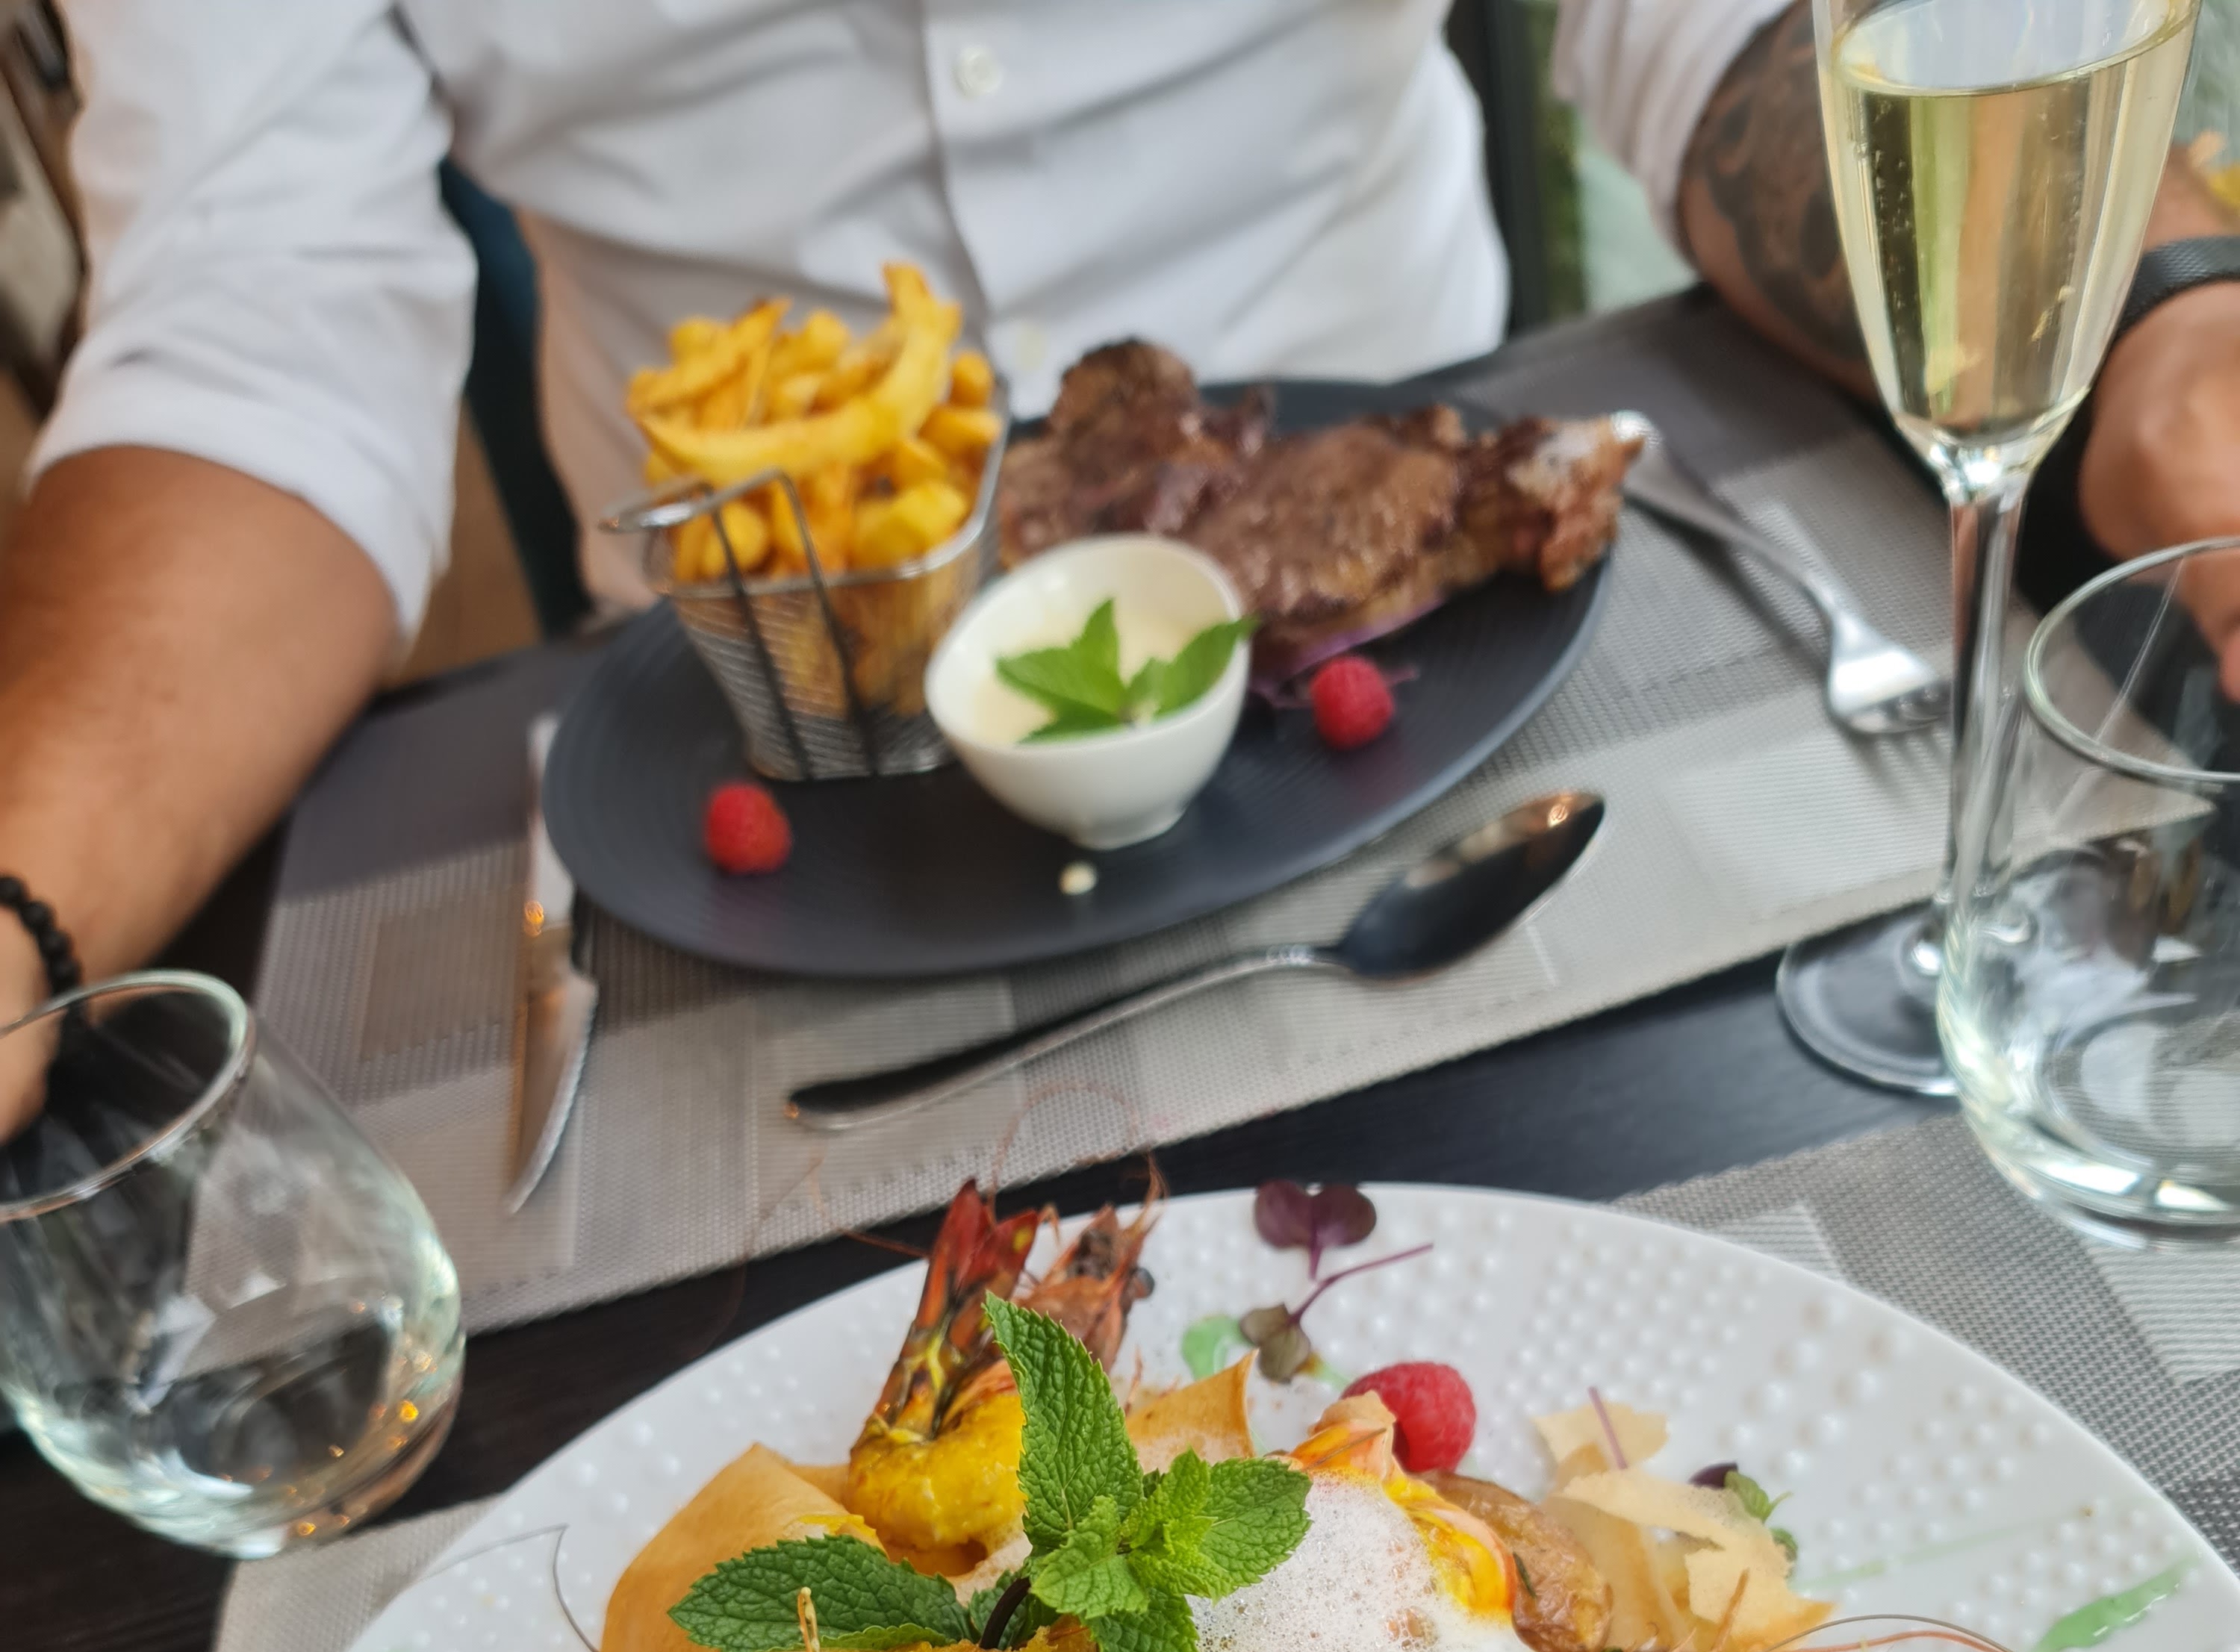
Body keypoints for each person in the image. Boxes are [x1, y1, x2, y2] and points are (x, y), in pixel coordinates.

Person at [1, 0, 2234, 1137]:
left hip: (1469, 673)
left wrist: (2169, 331)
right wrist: (17, 922)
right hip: (770, 787)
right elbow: (264, 309)